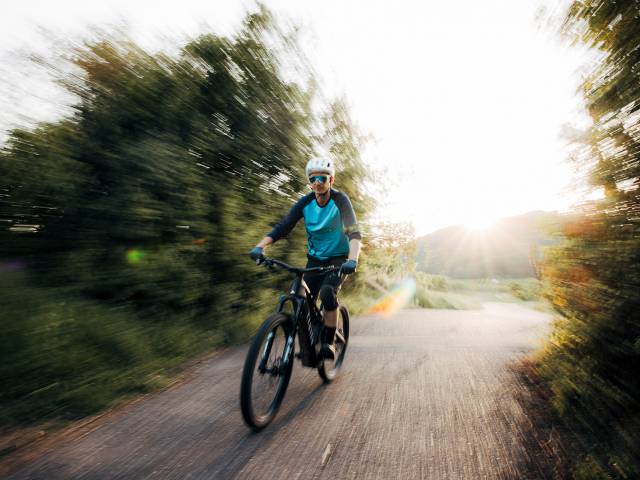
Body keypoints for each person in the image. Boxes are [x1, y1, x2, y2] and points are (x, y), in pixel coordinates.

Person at [249, 157, 362, 359]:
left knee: (327, 293)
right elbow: (283, 227)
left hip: (338, 259)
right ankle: (309, 346)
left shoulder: (340, 200)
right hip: (315, 260)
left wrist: (352, 260)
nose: (317, 182)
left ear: (331, 180)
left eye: (322, 178)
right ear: (310, 182)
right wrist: (260, 247)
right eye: (313, 179)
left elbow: (354, 233)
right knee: (300, 298)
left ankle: (328, 342)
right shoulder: (305, 202)